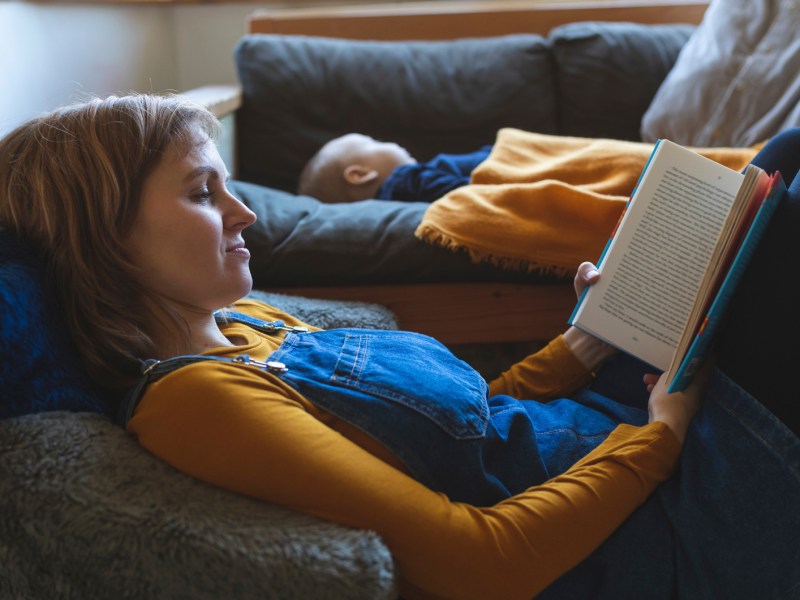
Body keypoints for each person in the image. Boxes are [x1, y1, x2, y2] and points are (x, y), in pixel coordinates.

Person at [0, 95, 797, 600]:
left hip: (628, 434)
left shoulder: (250, 328)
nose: (246, 213)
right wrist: (662, 435)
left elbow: (478, 417)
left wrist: (587, 338)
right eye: (203, 193)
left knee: (762, 174)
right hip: (667, 531)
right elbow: (487, 564)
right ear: (106, 235)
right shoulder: (195, 400)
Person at [297, 132, 491, 203]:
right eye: (376, 142)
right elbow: (469, 192)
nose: (389, 143)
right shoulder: (404, 182)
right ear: (360, 174)